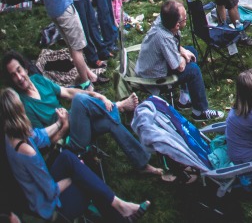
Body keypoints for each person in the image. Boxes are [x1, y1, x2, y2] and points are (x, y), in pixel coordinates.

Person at [2, 51, 161, 178]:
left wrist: (96, 95)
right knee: (79, 101)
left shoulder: (37, 80)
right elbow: (44, 142)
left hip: (77, 124)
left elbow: (67, 91)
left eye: (19, 70)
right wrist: (62, 126)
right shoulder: (22, 104)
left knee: (108, 121)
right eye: (13, 75)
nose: (19, 77)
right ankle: (117, 106)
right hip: (67, 142)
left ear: (25, 68)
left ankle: (142, 164)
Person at [2, 89, 150, 222]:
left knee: (68, 157)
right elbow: (49, 192)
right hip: (46, 205)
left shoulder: (11, 135)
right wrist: (74, 175)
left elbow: (39, 136)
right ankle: (121, 211)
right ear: (20, 113)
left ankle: (121, 210)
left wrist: (61, 123)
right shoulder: (27, 152)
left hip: (41, 188)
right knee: (86, 179)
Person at [135, 0, 223, 121]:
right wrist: (183, 57)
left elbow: (173, 45)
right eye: (185, 18)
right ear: (177, 25)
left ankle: (184, 100)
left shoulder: (162, 21)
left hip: (150, 65)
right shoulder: (164, 37)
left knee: (191, 51)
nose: (186, 19)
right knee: (193, 70)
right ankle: (200, 112)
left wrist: (182, 51)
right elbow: (179, 66)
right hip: (154, 76)